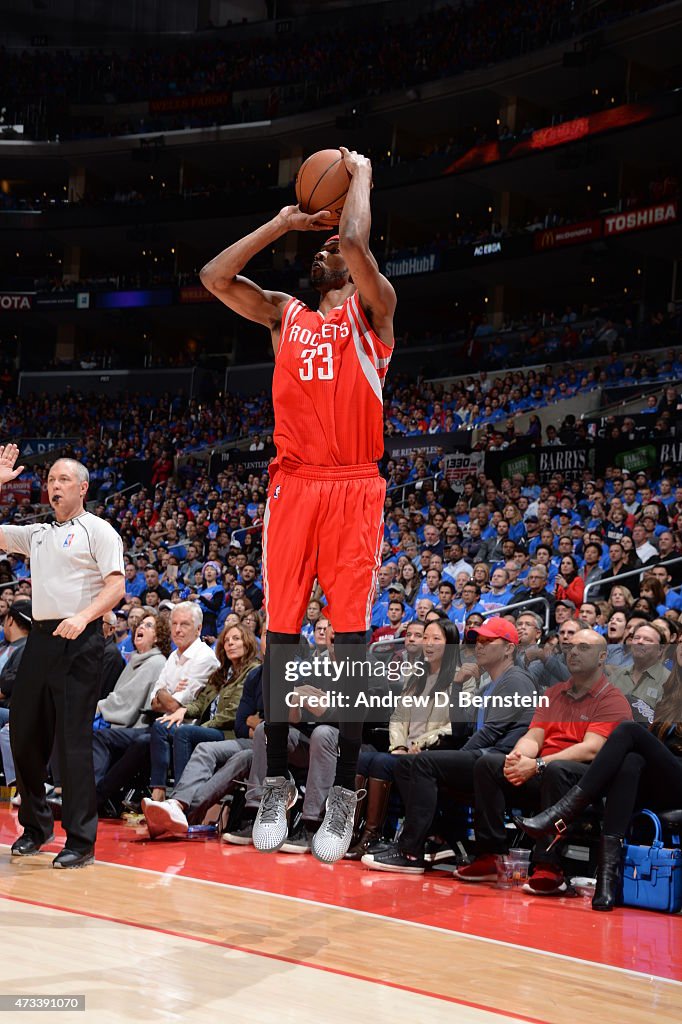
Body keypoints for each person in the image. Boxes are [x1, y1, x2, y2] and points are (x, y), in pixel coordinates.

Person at [200, 146, 396, 862]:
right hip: (294, 483)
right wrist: (280, 223)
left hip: (354, 485)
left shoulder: (377, 315)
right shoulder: (286, 316)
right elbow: (213, 276)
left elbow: (353, 242)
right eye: (314, 254)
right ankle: (276, 786)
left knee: (348, 647)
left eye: (331, 251)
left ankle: (341, 796)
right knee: (281, 639)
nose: (324, 256)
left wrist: (363, 177)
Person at [0, 450, 125, 868]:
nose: (54, 486)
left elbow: (116, 586)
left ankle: (81, 841)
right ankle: (36, 828)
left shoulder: (99, 531)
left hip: (81, 640)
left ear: (83, 488)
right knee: (22, 735)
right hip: (40, 640)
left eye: (64, 480)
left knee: (73, 743)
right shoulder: (37, 533)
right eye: (51, 479)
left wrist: (85, 616)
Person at [453, 630, 632, 895]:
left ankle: (550, 867)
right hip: (543, 770)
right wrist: (518, 757)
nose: (572, 652)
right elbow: (534, 736)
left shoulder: (612, 699)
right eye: (569, 646)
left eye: (583, 647)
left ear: (602, 657)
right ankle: (490, 854)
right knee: (489, 764)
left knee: (557, 770)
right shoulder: (553, 693)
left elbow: (591, 749)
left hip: (582, 782)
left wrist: (537, 764)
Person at [516, 635, 682, 910]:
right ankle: (607, 884)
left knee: (628, 730)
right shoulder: (672, 689)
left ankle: (562, 812)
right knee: (630, 762)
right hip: (663, 772)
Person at [362, 618, 536, 873]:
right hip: (483, 756)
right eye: (478, 641)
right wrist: (455, 686)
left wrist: (457, 758)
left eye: (488, 641)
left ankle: (411, 852)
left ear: (509, 648)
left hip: (499, 760)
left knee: (422, 762)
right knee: (407, 763)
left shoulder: (516, 680)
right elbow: (462, 725)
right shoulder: (490, 684)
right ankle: (437, 839)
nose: (480, 646)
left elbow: (491, 733)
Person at [347, 619, 460, 859]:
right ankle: (351, 831)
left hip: (432, 752)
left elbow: (454, 727)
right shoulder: (416, 677)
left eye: (436, 639)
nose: (428, 644)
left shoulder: (460, 680)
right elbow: (398, 716)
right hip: (405, 749)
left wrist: (421, 744)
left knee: (380, 763)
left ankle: (373, 834)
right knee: (363, 760)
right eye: (425, 638)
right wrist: (398, 744)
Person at [144, 622, 259, 810]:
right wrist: (184, 710)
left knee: (185, 733)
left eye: (236, 639)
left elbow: (234, 712)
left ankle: (181, 800)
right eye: (227, 640)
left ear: (247, 643)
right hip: (210, 728)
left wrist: (203, 727)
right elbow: (201, 702)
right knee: (161, 725)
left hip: (229, 732)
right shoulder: (221, 673)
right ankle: (158, 792)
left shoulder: (252, 671)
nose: (230, 643)